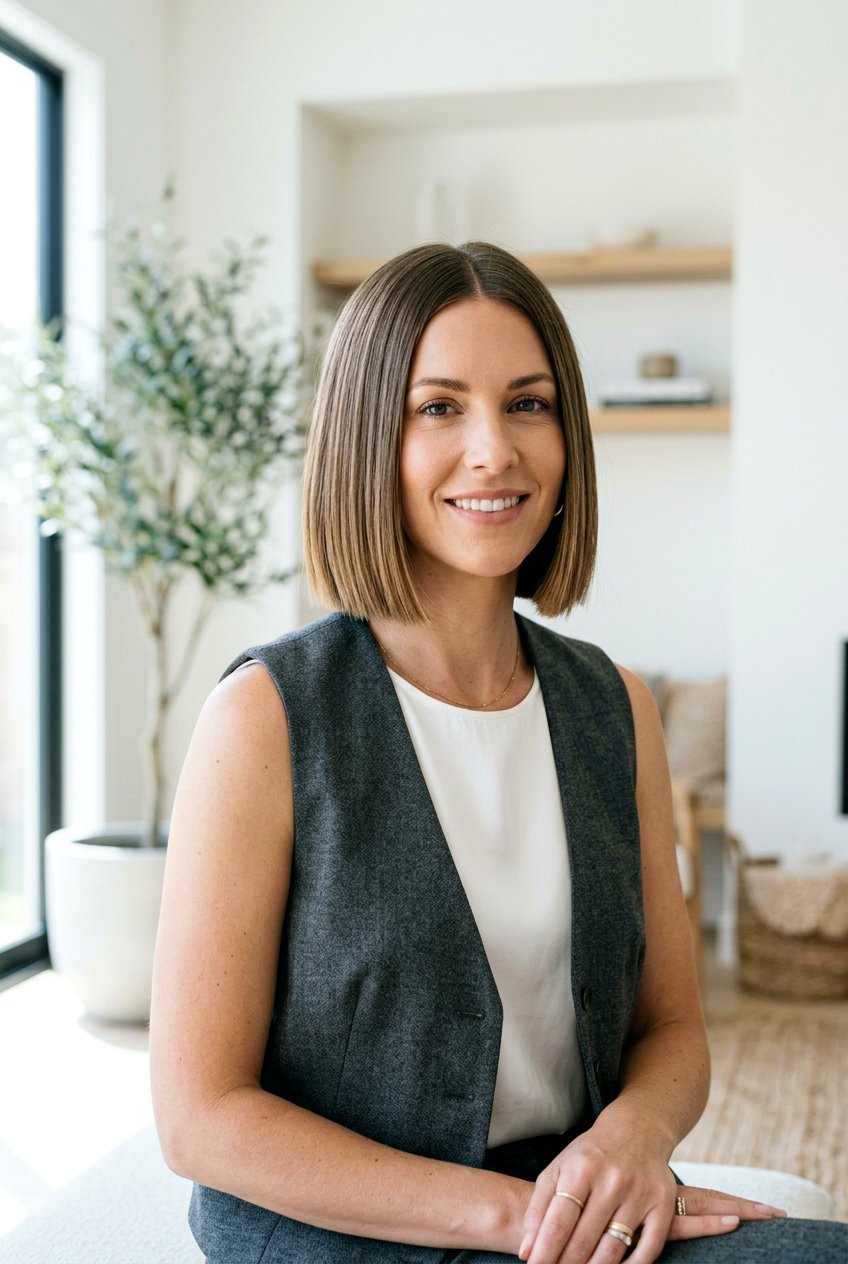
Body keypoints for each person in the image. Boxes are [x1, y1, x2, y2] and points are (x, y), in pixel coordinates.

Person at [149, 242, 847, 1264]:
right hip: (349, 1235)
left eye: (527, 404)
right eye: (438, 408)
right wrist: (519, 1219)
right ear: (365, 439)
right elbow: (197, 1115)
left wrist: (630, 1139)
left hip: (564, 1218)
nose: (493, 449)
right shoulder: (265, 714)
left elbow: (673, 1031)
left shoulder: (613, 707)